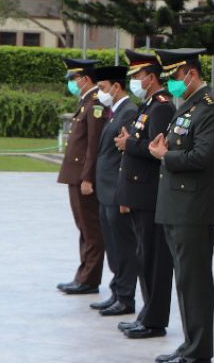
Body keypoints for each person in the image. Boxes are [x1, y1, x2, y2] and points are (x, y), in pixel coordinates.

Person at [148, 48, 214, 363]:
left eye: (175, 77)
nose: (172, 84)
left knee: (194, 281)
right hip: (177, 206)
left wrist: (163, 156)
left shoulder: (210, 110)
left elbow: (202, 157)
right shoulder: (187, 108)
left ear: (191, 74)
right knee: (183, 279)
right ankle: (189, 343)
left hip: (193, 209)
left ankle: (198, 351)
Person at [114, 50, 176, 340]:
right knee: (144, 256)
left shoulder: (162, 107)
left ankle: (154, 319)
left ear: (150, 78)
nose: (135, 81)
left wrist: (129, 144)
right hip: (139, 192)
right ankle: (146, 314)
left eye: (137, 76)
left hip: (150, 193)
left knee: (154, 260)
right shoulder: (148, 104)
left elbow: (156, 149)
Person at [90, 65, 139, 317]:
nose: (100, 93)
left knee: (123, 246)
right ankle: (116, 291)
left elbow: (126, 157)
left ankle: (126, 296)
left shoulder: (129, 112)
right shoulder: (114, 112)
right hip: (106, 189)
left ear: (116, 87)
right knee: (112, 244)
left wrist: (124, 193)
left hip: (117, 190)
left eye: (103, 88)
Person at [56, 57, 106, 295]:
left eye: (74, 80)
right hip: (75, 176)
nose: (72, 84)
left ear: (85, 80)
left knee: (91, 229)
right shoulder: (86, 102)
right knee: (83, 227)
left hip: (83, 177)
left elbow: (93, 146)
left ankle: (89, 278)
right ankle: (83, 274)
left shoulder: (95, 104)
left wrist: (88, 178)